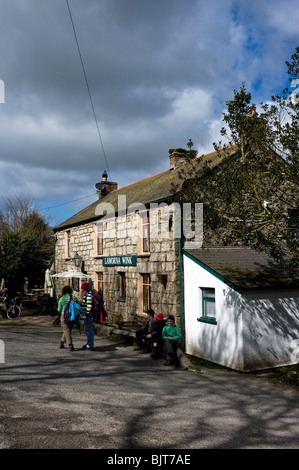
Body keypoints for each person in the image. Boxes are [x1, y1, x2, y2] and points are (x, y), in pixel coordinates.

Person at [58, 285, 79, 351]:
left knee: (66, 330)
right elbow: (78, 305)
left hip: (64, 316)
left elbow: (59, 309)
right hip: (72, 316)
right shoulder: (74, 298)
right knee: (67, 330)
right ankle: (61, 343)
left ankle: (70, 345)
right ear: (70, 291)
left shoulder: (61, 299)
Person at [80, 282, 95, 351]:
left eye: (82, 288)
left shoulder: (88, 295)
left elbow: (89, 305)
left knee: (89, 331)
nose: (81, 290)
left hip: (89, 315)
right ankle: (89, 343)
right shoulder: (87, 294)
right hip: (88, 315)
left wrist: (87, 313)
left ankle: (90, 345)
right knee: (88, 330)